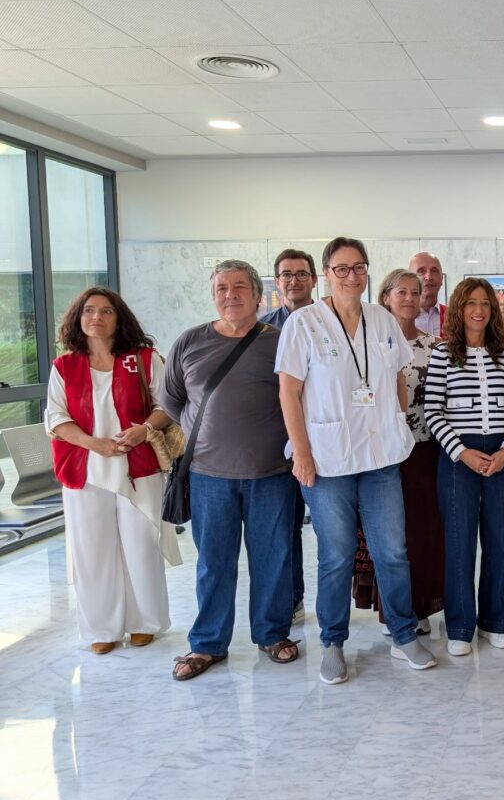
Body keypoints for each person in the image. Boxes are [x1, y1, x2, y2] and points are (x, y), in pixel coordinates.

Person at [277, 238, 436, 683]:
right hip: (327, 461)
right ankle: (332, 641)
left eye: (359, 267)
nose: (352, 276)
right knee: (336, 555)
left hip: (381, 456)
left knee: (392, 550)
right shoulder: (304, 323)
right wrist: (302, 454)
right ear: (326, 273)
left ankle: (404, 634)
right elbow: (288, 393)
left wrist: (396, 423)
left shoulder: (382, 318)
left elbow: (400, 379)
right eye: (342, 268)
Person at [163, 260, 299, 681]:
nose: (230, 294)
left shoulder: (281, 341)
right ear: (213, 294)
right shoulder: (190, 342)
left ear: (259, 296)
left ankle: (273, 634)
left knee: (272, 559)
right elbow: (171, 400)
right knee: (213, 563)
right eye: (222, 287)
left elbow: (300, 396)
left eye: (240, 286)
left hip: (272, 472)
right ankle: (207, 644)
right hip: (207, 476)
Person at [46, 288, 181, 654]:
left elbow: (166, 405)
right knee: (93, 550)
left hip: (138, 468)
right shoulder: (65, 366)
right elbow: (56, 418)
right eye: (89, 311)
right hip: (85, 469)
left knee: (140, 546)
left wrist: (144, 430)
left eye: (106, 311)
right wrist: (93, 443)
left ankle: (144, 622)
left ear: (119, 319)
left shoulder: (144, 359)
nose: (97, 317)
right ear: (78, 318)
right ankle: (101, 628)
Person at [425, 278, 504, 655]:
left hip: (501, 455)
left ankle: (495, 620)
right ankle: (460, 625)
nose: (479, 310)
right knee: (459, 542)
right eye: (471, 303)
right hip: (458, 458)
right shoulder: (443, 354)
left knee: (499, 540)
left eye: (486, 303)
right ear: (458, 308)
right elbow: (433, 411)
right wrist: (462, 452)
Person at [352, 269, 444, 637]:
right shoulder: (368, 345)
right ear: (385, 297)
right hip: (383, 452)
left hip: (426, 451)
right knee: (389, 538)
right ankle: (393, 612)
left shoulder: (436, 346)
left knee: (423, 533)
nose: (408, 298)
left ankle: (419, 607)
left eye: (415, 292)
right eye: (400, 291)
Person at [259, 247, 318, 624]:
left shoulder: (329, 320)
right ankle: (292, 598)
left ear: (314, 278)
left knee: (337, 530)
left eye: (301, 273)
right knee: (286, 525)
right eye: (286, 274)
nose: (293, 280)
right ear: (277, 282)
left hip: (328, 439)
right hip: (280, 444)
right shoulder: (263, 329)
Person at [409, 251, 445, 336]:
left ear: (442, 279)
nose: (428, 277)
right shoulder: (398, 320)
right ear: (409, 279)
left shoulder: (455, 316)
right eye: (421, 271)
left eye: (434, 271)